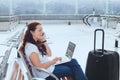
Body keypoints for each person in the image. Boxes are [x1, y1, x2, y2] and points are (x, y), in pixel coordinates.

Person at [20, 21, 87, 80]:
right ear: (32, 32)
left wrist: (44, 41)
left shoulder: (35, 42)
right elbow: (38, 67)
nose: (42, 32)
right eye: (39, 30)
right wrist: (53, 61)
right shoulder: (31, 48)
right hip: (46, 74)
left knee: (73, 61)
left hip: (49, 68)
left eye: (42, 30)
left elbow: (49, 54)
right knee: (72, 69)